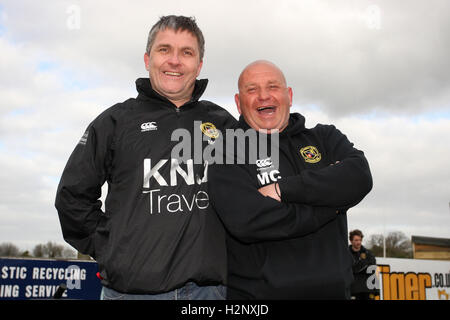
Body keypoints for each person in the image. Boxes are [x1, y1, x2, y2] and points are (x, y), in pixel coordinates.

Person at [55, 15, 236, 300]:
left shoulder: (223, 124)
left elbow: (256, 193)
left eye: (186, 52)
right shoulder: (115, 122)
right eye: (164, 49)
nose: (175, 61)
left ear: (199, 65)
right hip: (132, 293)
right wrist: (109, 246)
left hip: (211, 293)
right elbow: (72, 197)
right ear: (147, 58)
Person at [208, 60, 373, 299]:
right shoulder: (226, 151)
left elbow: (359, 176)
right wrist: (332, 206)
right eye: (252, 90)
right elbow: (248, 220)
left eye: (273, 87)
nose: (264, 96)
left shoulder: (325, 138)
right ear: (238, 103)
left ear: (289, 95)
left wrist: (282, 190)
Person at [349, 229, 378, 300]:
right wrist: (364, 264)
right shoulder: (346, 253)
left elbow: (372, 269)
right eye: (356, 240)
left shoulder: (368, 253)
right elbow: (350, 269)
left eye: (360, 240)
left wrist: (358, 266)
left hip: (368, 289)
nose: (358, 242)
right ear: (351, 241)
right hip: (353, 290)